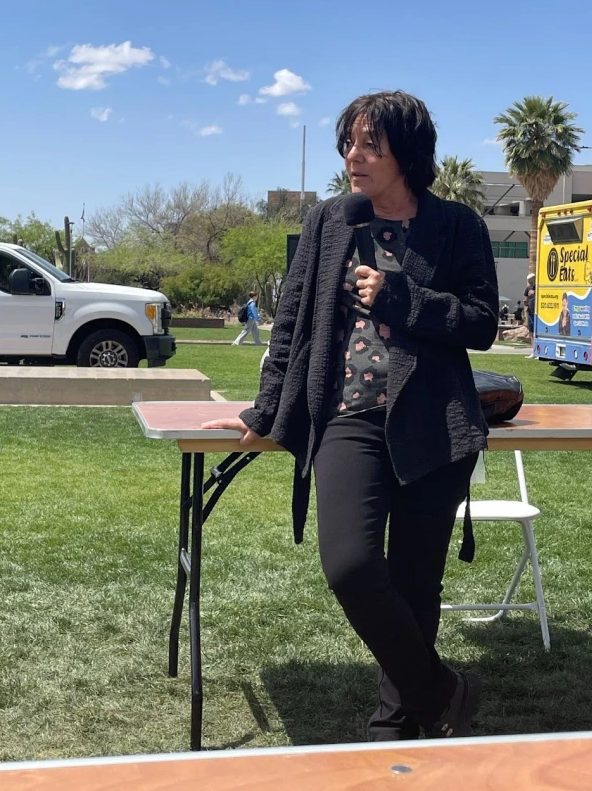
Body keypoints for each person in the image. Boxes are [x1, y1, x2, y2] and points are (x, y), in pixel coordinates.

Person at [203, 91, 498, 742]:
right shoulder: (331, 221)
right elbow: (294, 322)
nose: (353, 156)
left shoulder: (457, 226)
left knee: (417, 584)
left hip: (434, 422)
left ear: (407, 154)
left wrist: (400, 296)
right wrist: (266, 408)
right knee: (352, 565)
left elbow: (480, 323)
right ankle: (443, 691)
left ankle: (398, 720)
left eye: (369, 144)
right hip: (349, 417)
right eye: (349, 143)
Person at [524, 273, 536, 356]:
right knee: (531, 332)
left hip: (537, 312)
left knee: (536, 332)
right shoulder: (528, 289)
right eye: (529, 281)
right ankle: (533, 351)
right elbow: (526, 300)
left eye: (531, 281)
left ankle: (537, 351)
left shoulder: (538, 288)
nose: (530, 282)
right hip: (530, 311)